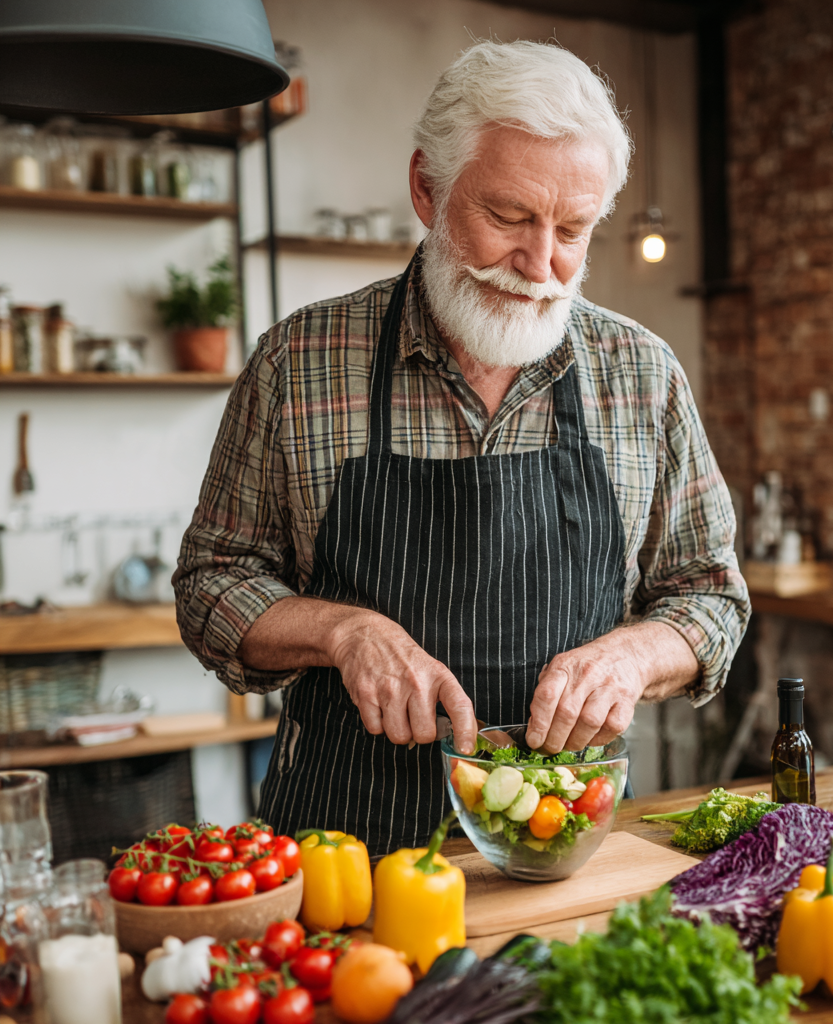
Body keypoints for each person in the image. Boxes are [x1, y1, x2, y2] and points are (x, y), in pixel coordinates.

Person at [173, 40, 749, 856]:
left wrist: (634, 654)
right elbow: (209, 584)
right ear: (427, 188)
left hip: (562, 844)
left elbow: (712, 597)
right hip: (348, 852)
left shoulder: (641, 375)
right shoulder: (297, 363)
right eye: (509, 216)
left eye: (573, 229)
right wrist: (341, 631)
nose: (540, 263)